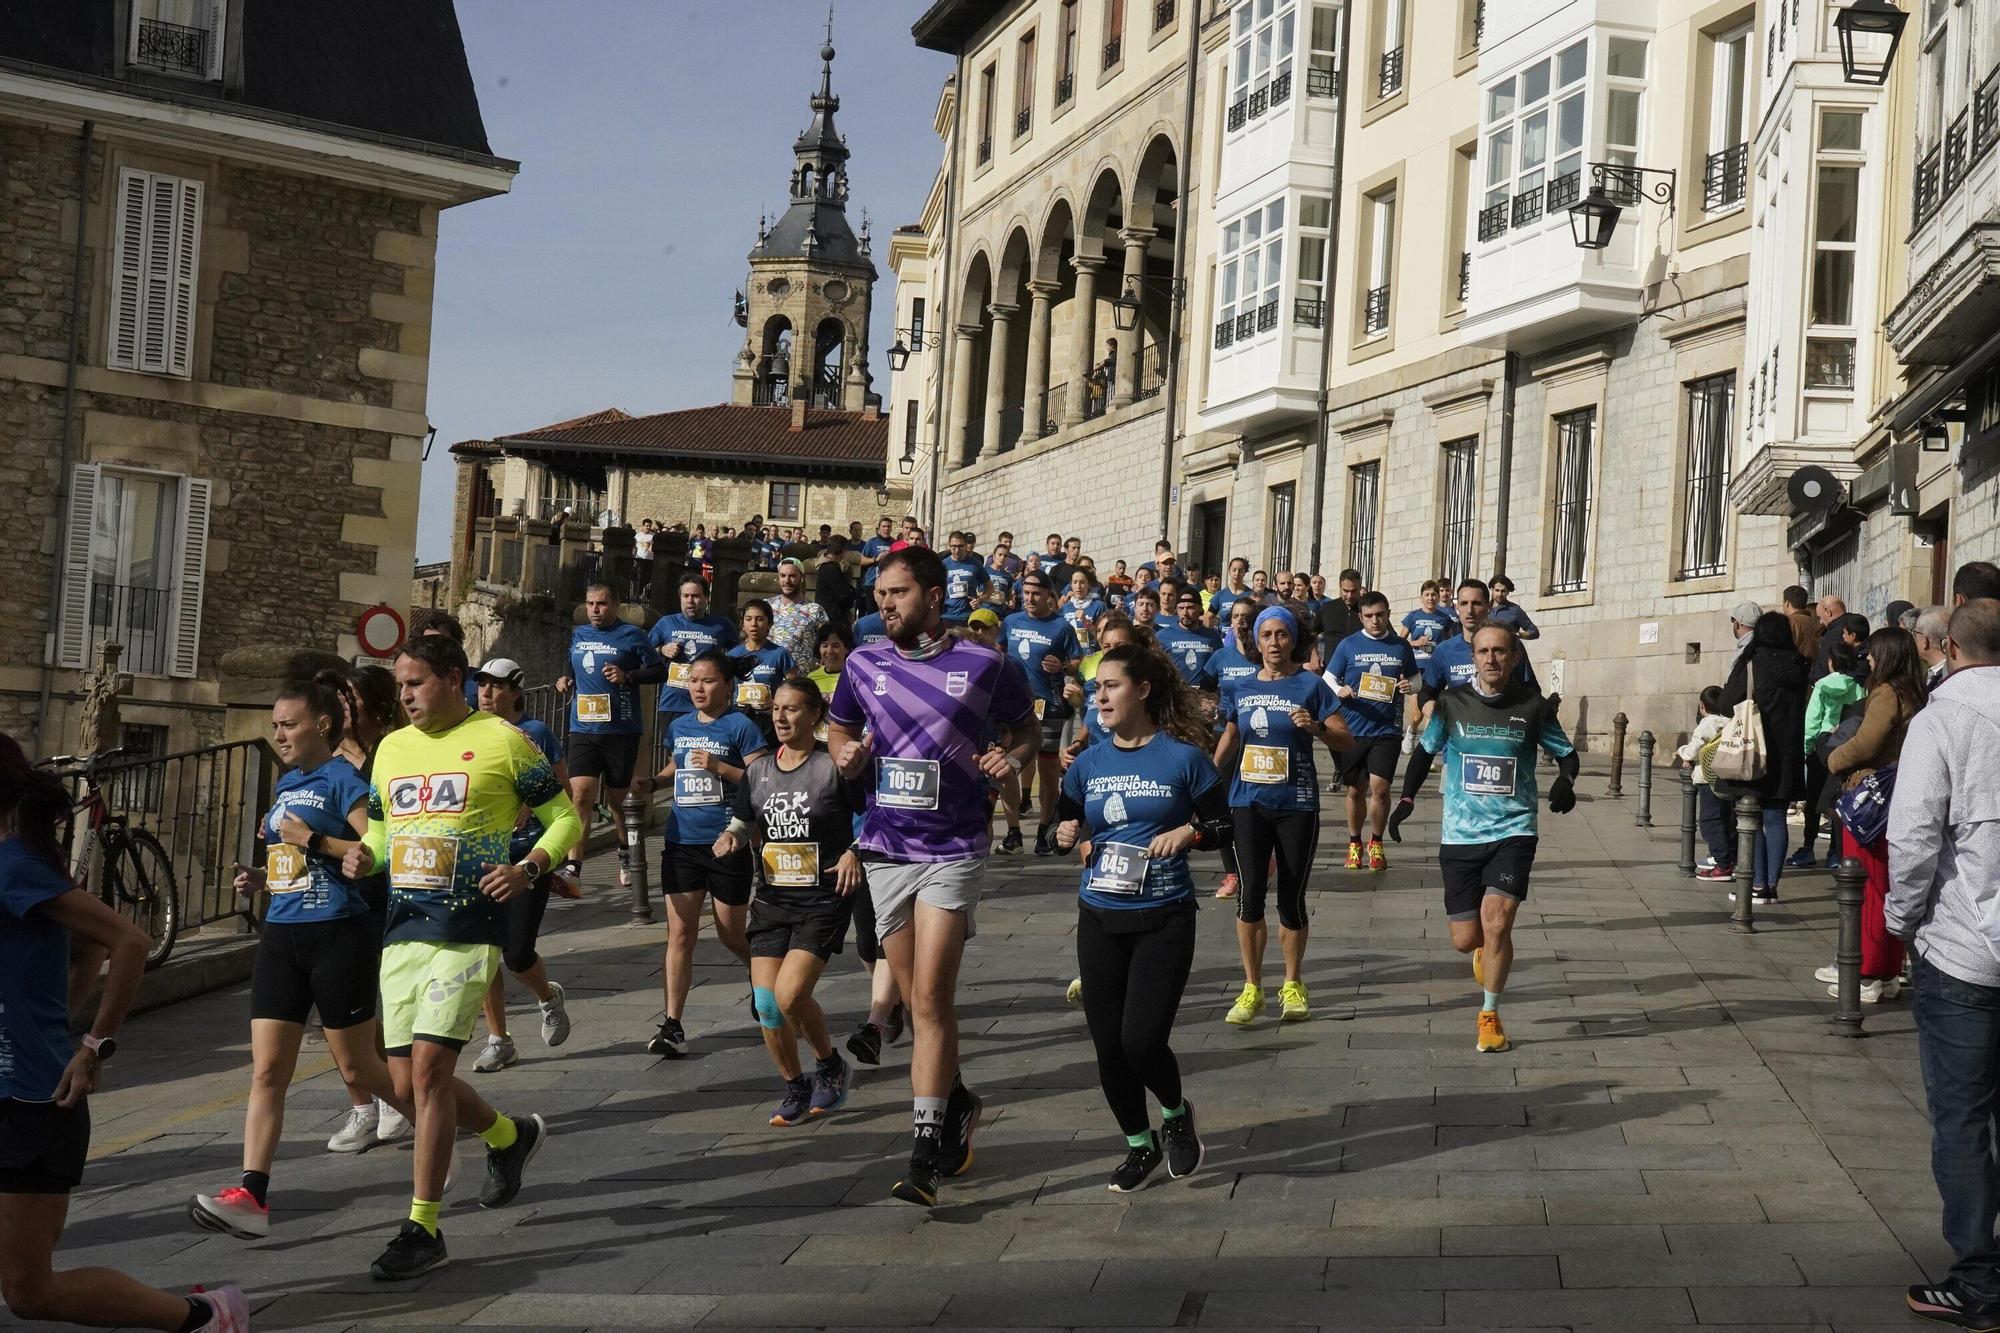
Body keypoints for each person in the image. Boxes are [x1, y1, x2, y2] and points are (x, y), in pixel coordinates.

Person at [340, 634, 576, 1281]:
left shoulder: (502, 740)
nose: (405, 695)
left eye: (415, 682)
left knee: (430, 1071)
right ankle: (508, 1136)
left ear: (454, 677)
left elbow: (565, 816)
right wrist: (368, 853)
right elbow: (385, 832)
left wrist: (530, 865)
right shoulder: (391, 749)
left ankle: (422, 1226)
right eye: (400, 685)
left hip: (468, 929)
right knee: (400, 1082)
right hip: (402, 933)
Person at [0, 736, 250, 1331]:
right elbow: (84, 949)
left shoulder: (14, 867)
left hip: (30, 1104)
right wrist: (51, 1015)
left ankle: (204, 1317)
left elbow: (128, 942)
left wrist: (90, 1045)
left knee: (30, 1294)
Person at [826, 546, 1038, 1206]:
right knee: (919, 1004)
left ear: (934, 594)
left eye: (897, 592)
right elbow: (837, 730)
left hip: (953, 846)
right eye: (878, 594)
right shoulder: (863, 662)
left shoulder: (985, 662)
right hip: (886, 846)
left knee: (929, 996)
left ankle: (924, 1154)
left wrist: (1010, 758)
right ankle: (959, 1100)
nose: (884, 603)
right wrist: (849, 754)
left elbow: (1027, 729)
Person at [192, 676, 416, 1241]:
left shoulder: (346, 782)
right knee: (267, 1070)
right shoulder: (287, 784)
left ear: (321, 723)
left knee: (359, 1068)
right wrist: (262, 878)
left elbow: (374, 853)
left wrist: (314, 839)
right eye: (274, 725)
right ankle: (251, 1194)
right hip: (282, 935)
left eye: (288, 724)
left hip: (339, 934)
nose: (279, 734)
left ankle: (450, 1124)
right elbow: (293, 865)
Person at [1053, 644, 1228, 1192]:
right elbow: (1061, 824)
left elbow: (1224, 825)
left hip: (1164, 916)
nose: (1099, 696)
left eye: (1112, 686)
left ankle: (1176, 1113)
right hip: (1100, 914)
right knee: (1108, 1048)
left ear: (1143, 690)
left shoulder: (1183, 758)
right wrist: (1061, 835)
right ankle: (1137, 1143)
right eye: (1097, 687)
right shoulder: (1088, 763)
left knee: (1141, 1041)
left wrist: (1190, 833)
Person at [1887, 599, 2000, 1329]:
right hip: (1966, 945)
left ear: (1949, 647)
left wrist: (1901, 921)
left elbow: (1915, 836)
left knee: (1962, 1117)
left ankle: (1980, 1278)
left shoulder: (1941, 720)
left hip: (1963, 947)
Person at [1388, 624, 1578, 1054]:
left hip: (1514, 830)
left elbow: (1567, 754)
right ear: (1472, 656)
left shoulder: (1532, 705)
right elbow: (1424, 752)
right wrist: (1406, 800)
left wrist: (1566, 780)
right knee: (1466, 940)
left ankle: (1489, 1015)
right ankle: (1484, 953)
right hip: (1460, 833)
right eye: (1483, 651)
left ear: (1513, 657)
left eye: (1499, 651)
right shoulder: (1454, 702)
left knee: (1498, 922)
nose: (1491, 659)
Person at [716, 678, 860, 1126]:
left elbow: (867, 816)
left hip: (822, 897)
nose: (780, 717)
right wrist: (731, 837)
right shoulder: (758, 770)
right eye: (776, 708)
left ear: (815, 715)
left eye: (792, 709)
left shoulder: (832, 766)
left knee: (791, 994)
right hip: (773, 898)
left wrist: (855, 850)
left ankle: (830, 1064)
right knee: (766, 1002)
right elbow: (744, 818)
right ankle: (795, 1086)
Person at [1213, 607, 1349, 1026]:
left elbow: (1346, 740)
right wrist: (1202, 784)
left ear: (1293, 639)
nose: (1274, 643)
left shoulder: (1310, 685)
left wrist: (1317, 729)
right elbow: (1231, 739)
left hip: (1297, 804)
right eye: (1266, 635)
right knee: (1250, 894)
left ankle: (1293, 984)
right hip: (1247, 803)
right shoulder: (1241, 686)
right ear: (1257, 640)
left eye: (1282, 635)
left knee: (1291, 898)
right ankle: (1252, 987)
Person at [648, 651, 771, 1059]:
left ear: (728, 686)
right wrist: (651, 782)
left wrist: (721, 767)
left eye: (708, 681)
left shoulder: (742, 727)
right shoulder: (679, 725)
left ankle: (764, 978)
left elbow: (761, 781)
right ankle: (672, 1024)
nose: (698, 688)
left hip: (727, 842)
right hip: (682, 841)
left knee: (730, 933)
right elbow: (675, 767)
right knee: (679, 935)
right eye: (693, 680)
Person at [469, 661, 576, 1073]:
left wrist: (530, 803)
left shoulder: (537, 734)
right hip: (481, 857)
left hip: (528, 857)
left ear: (516, 691)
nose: (486, 694)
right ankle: (499, 1039)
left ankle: (548, 998)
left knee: (516, 953)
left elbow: (563, 791)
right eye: (482, 687)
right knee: (483, 954)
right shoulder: (471, 732)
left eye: (495, 687)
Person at [325, 665, 413, 1153]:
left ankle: (392, 1095)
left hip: (388, 889)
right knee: (345, 1007)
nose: (341, 708)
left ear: (374, 704)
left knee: (384, 1004)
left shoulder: (394, 750)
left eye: (349, 698)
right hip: (337, 895)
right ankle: (368, 1102)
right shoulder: (328, 759)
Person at [1822, 627, 1926, 1003]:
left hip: (1872, 795)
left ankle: (1866, 972)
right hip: (1898, 795)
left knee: (1866, 885)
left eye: (1872, 654)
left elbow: (1868, 741)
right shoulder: (1915, 690)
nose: (1866, 659)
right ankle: (1885, 969)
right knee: (1886, 882)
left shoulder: (1886, 692)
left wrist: (1834, 758)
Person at [555, 583, 661, 891]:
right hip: (583, 728)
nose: (595, 610)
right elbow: (574, 664)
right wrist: (567, 679)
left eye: (601, 604)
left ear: (615, 605)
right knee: (580, 796)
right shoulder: (579, 634)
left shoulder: (631, 636)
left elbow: (659, 671)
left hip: (620, 729)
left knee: (617, 802)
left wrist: (628, 676)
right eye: (590, 604)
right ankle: (574, 867)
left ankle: (625, 854)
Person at [1714, 612, 1810, 904]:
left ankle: (1756, 882)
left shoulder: (1753, 662)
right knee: (1776, 816)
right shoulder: (1800, 664)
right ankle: (1771, 885)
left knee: (1750, 817)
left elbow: (1726, 702)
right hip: (1787, 751)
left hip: (1754, 750)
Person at [1327, 591, 1420, 871]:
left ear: (1388, 613)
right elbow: (1328, 678)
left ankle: (1376, 843)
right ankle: (1355, 843)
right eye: (1368, 616)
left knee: (1380, 788)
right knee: (1356, 790)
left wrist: (1409, 687)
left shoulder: (1400, 646)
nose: (1375, 621)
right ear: (1361, 618)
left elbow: (1416, 679)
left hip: (1387, 729)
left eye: (1379, 614)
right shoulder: (1347, 645)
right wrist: (1340, 689)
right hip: (1354, 728)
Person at [1004, 571, 1084, 857]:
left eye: (1035, 593)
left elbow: (1077, 661)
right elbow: (996, 653)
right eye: (1025, 593)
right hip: (1012, 708)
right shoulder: (1011, 621)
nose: (1029, 598)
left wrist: (1063, 666)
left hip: (1048, 707)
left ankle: (1043, 830)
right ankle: (1013, 833)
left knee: (1049, 771)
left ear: (1049, 595)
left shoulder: (1061, 627)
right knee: (1008, 767)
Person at [1198, 600, 1261, 900]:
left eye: (1247, 617)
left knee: (1252, 808)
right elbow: (1204, 687)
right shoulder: (1221, 657)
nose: (1241, 622)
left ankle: (1261, 860)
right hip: (1225, 736)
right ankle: (1232, 874)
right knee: (1221, 807)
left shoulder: (1263, 657)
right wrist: (1210, 705)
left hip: (1258, 740)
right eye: (1236, 617)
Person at [648, 575, 740, 736]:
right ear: (680, 598)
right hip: (673, 704)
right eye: (686, 596)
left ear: (706, 598)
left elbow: (739, 654)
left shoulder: (721, 625)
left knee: (706, 756)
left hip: (709, 704)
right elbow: (645, 651)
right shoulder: (666, 623)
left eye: (695, 596)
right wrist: (662, 650)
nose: (690, 601)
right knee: (676, 757)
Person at [1677, 686, 1733, 879]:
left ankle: (1722, 863)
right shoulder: (1730, 721)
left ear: (1702, 706)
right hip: (1726, 777)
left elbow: (1693, 749)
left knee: (1710, 822)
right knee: (1727, 820)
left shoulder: (1706, 724)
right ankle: (1731, 859)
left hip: (1707, 778)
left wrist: (1683, 752)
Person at [729, 598, 799, 744]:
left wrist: (777, 704)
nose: (754, 624)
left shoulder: (780, 654)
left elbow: (795, 688)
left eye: (759, 619)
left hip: (769, 723)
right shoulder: (732, 655)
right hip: (739, 720)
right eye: (749, 619)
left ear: (770, 624)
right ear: (742, 624)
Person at [1400, 580, 1457, 755]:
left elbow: (1448, 642)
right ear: (1421, 597)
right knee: (1417, 715)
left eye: (1434, 595)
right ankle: (1411, 731)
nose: (1430, 598)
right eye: (1427, 595)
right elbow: (1401, 642)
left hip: (1435, 671)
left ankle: (1426, 749)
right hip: (1416, 669)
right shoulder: (1413, 616)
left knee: (1432, 711)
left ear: (1438, 597)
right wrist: (1415, 643)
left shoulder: (1444, 618)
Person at [1155, 588, 1222, 686]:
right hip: (1176, 695)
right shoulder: (1162, 636)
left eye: (1190, 608)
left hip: (1204, 696)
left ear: (1200, 608)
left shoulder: (1212, 637)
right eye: (1181, 608)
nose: (1185, 613)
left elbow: (1220, 668)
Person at [770, 558, 830, 668]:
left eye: (792, 576)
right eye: (783, 576)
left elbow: (827, 641)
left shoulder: (815, 610)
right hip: (770, 676)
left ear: (802, 578)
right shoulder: (767, 606)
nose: (787, 581)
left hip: (802, 678)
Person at [1311, 569, 1364, 670]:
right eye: (1346, 591)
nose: (1349, 596)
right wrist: (1314, 655)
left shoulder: (1369, 610)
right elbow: (1311, 634)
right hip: (1331, 669)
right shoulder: (1327, 609)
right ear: (1340, 587)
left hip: (1360, 670)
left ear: (1360, 588)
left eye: (1354, 591)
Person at [940, 532, 989, 627]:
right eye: (954, 546)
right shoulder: (942, 565)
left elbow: (990, 587)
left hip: (968, 616)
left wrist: (980, 600)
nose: (957, 550)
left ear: (966, 545)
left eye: (960, 546)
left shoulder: (975, 564)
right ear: (949, 546)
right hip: (946, 616)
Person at [815, 534, 855, 630]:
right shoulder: (830, 568)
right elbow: (844, 595)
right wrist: (853, 592)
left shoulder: (828, 566)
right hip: (832, 620)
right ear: (842, 550)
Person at [1063, 569, 1108, 650]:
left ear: (1088, 585)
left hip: (1092, 656)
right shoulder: (1065, 608)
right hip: (1071, 659)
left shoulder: (1099, 606)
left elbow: (1105, 636)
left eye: (1082, 582)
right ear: (1071, 585)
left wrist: (1085, 621)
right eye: (1075, 582)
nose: (1078, 586)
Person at [1486, 575, 1539, 640]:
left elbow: (1534, 632)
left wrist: (1519, 634)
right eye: (1497, 590)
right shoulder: (1484, 608)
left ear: (1508, 592)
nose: (1500, 594)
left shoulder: (1515, 610)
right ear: (1491, 589)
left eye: (1503, 591)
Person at [1914, 605, 1951, 691]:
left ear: (1924, 640)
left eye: (1915, 633)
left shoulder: (1947, 678)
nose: (1914, 639)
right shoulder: (1933, 674)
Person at [1782, 585, 1821, 660]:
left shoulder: (1789, 621)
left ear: (1787, 603)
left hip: (1796, 665)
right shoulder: (1816, 621)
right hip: (1814, 666)